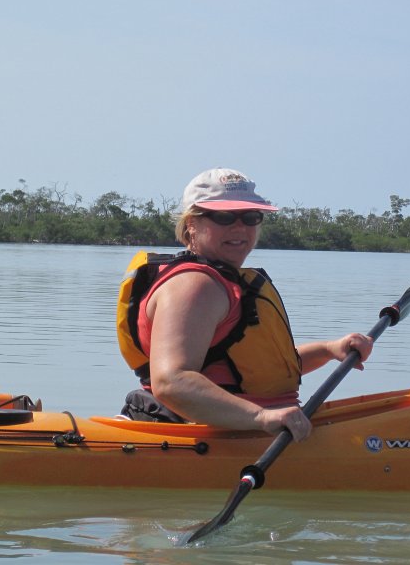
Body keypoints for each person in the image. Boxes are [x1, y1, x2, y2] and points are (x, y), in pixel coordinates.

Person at [117, 168, 373, 442]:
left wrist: (328, 349)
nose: (240, 228)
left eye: (251, 217)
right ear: (192, 223)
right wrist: (261, 418)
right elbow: (171, 383)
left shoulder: (220, 280)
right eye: (224, 217)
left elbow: (246, 368)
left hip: (259, 432)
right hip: (217, 439)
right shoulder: (195, 286)